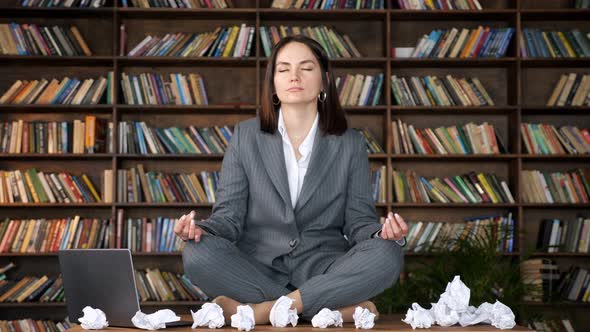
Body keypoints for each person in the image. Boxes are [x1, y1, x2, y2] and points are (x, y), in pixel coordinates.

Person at [174, 35, 408, 325]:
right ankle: (325, 308)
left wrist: (383, 235)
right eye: (283, 69)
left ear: (323, 80)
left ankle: (266, 310)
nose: (294, 76)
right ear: (273, 81)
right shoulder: (246, 137)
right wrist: (199, 230)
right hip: (258, 268)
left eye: (306, 68)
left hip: (324, 268)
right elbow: (229, 217)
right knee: (197, 253)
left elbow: (358, 222)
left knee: (388, 254)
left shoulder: (350, 143)